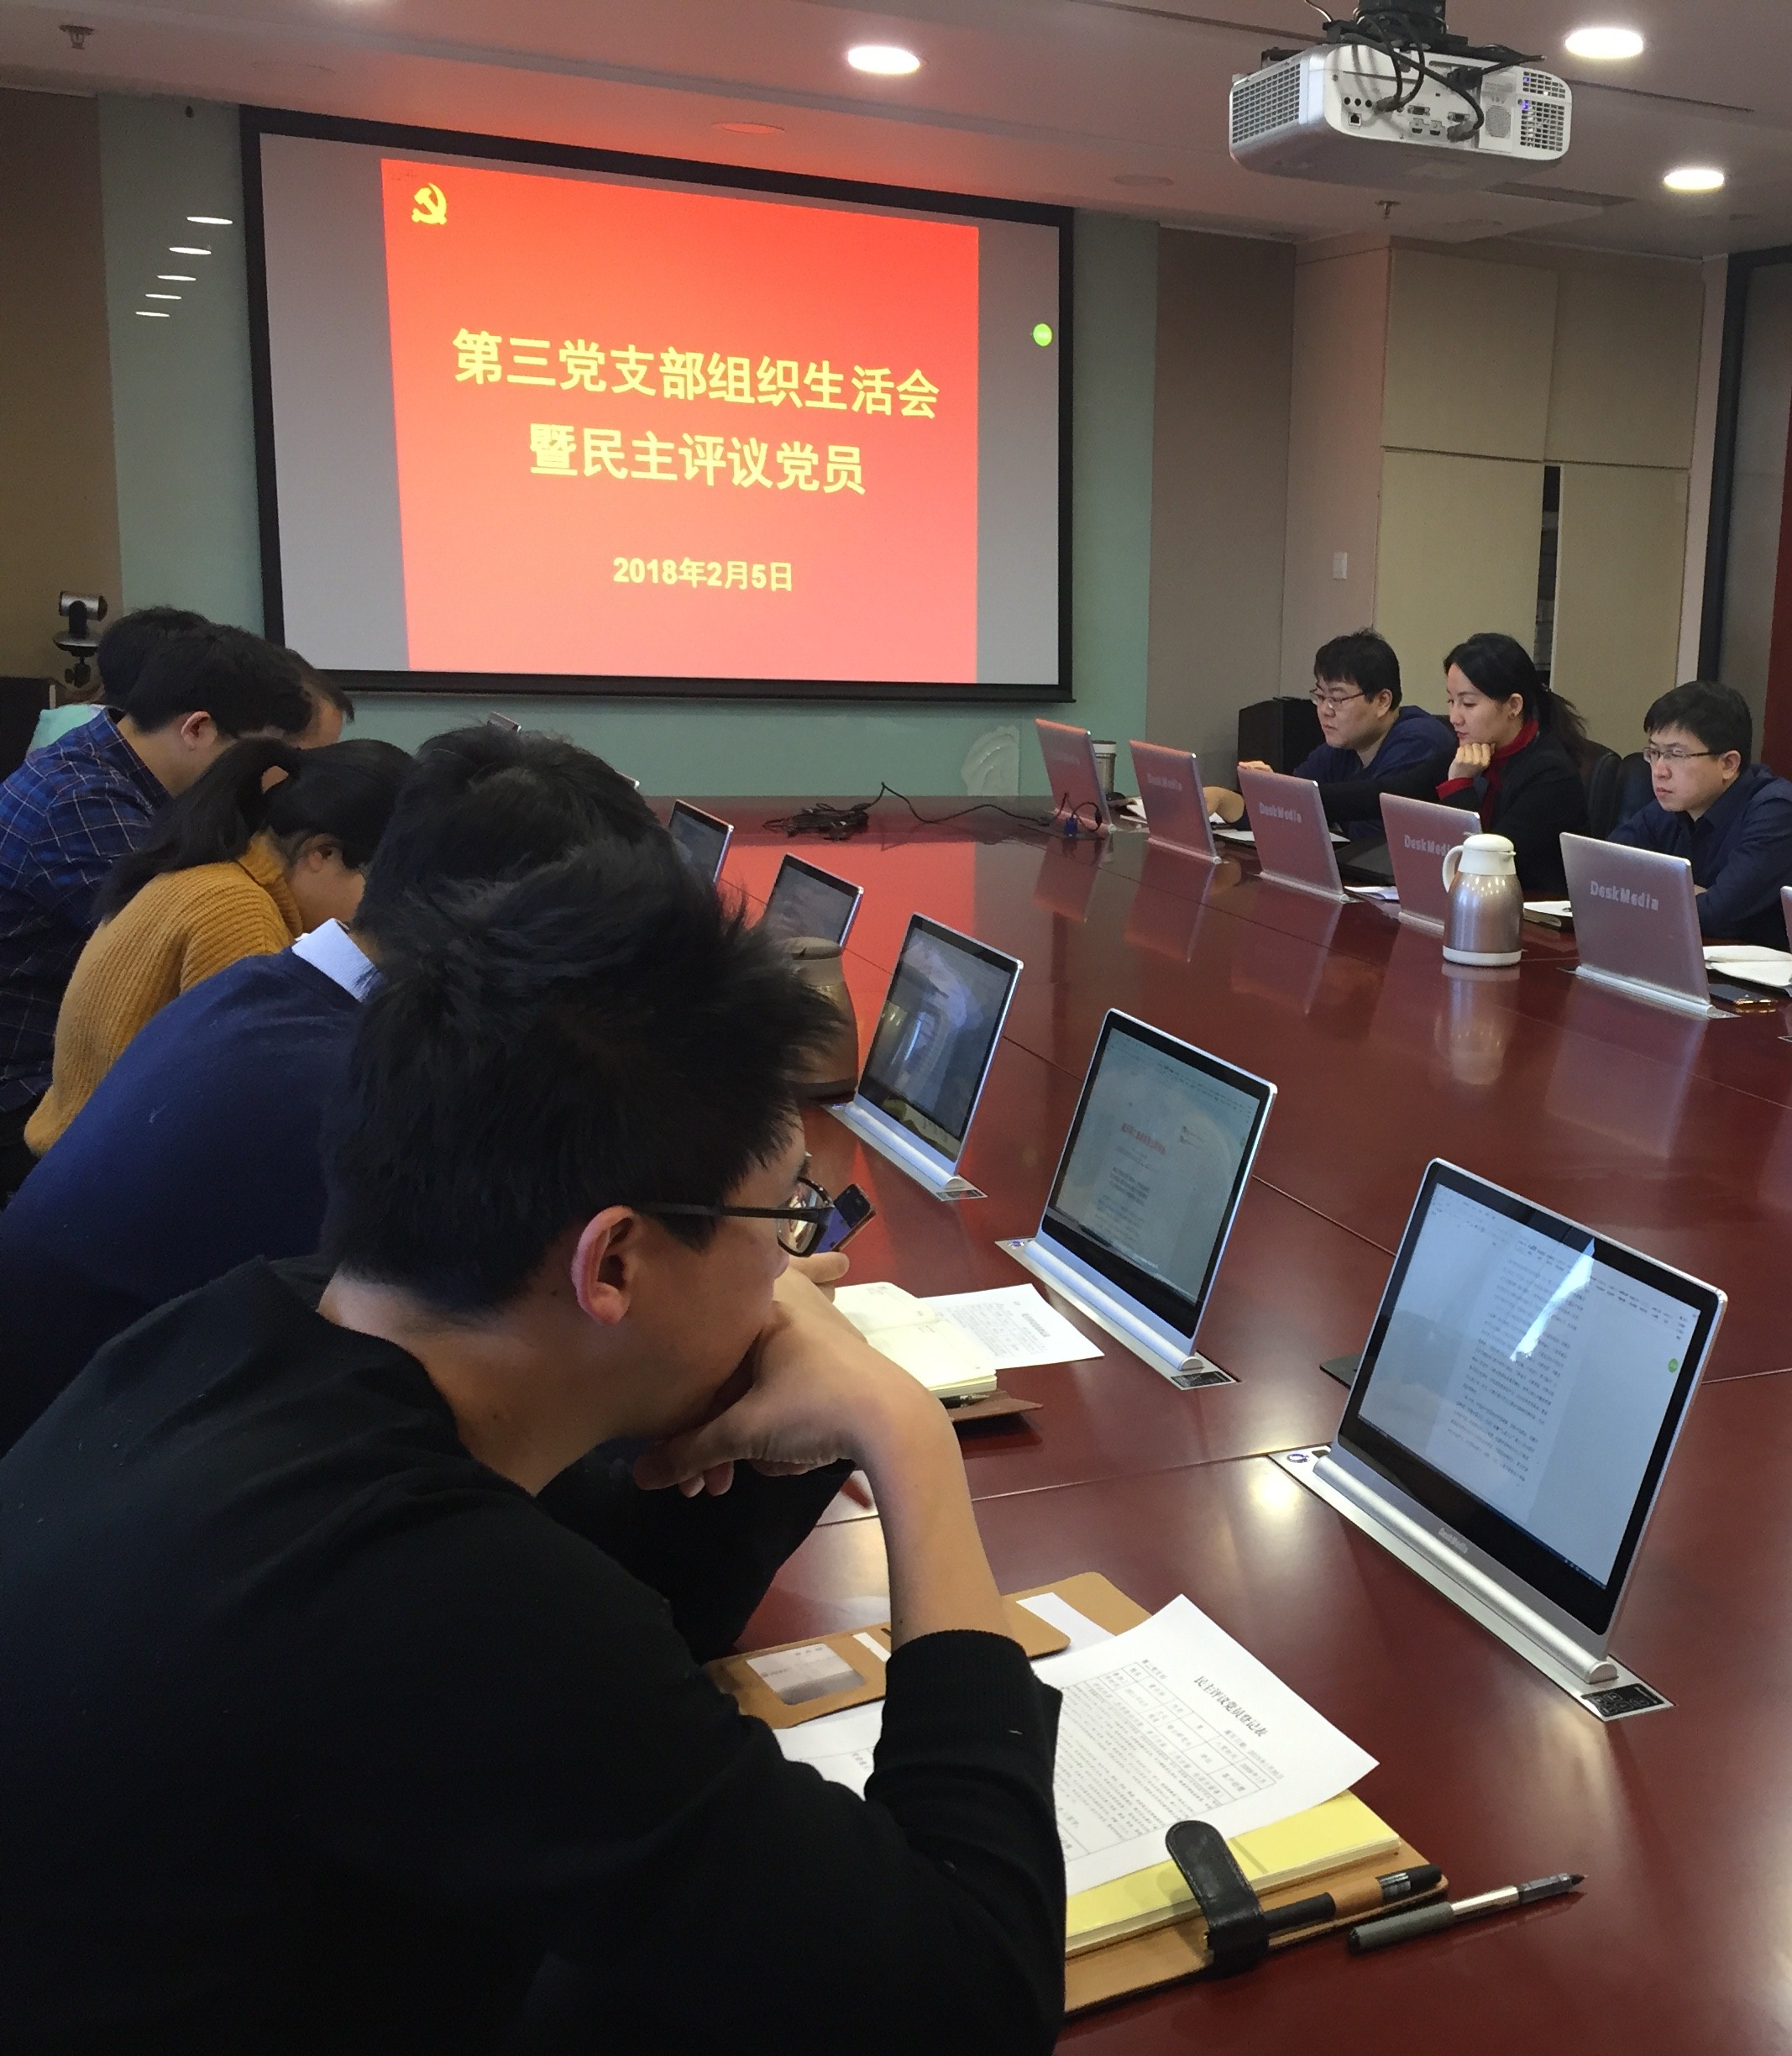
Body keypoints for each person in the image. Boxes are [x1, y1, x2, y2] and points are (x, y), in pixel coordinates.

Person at [0, 842, 1064, 2050]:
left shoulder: (256, 1325)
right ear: (613, 1263)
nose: (791, 1272)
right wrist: (903, 1430)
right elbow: (972, 1990)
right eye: (783, 1219)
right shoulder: (425, 1601)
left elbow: (619, 1614)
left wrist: (766, 1418)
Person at [0, 726, 667, 1451]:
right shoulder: (353, 1089)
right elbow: (519, 1348)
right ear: (517, 934)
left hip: (78, 1427)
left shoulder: (263, 990)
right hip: (92, 1460)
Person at [0, 622, 327, 1190]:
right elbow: (214, 949)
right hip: (28, 1095)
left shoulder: (105, 764)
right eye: (266, 758)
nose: (274, 782)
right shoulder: (85, 806)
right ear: (198, 728)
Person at [25, 737, 411, 1153]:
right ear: (323, 852)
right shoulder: (237, 911)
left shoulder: (214, 875)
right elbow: (248, 1100)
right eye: (377, 879)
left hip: (92, 1150)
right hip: (107, 1161)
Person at [1606, 679, 1792, 947]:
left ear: (1728, 764)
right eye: (1654, 753)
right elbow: (1605, 872)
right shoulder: (1674, 803)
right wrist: (1689, 894)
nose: (1659, 770)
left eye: (1675, 754)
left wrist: (1649, 895)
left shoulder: (1776, 811)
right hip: (1686, 954)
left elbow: (1715, 915)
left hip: (1756, 970)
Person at [1204, 630, 1455, 842]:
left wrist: (1288, 797)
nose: (1325, 710)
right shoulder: (1341, 747)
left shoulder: (1420, 742)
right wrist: (1222, 799)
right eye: (1320, 696)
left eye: (1337, 698)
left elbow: (1377, 842)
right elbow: (1288, 811)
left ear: (1382, 701)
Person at [1434, 631, 1589, 898]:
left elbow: (1486, 865)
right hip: (1475, 902)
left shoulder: (1551, 774)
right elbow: (1397, 790)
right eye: (1451, 701)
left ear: (1513, 706)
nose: (1454, 717)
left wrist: (1459, 785)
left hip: (1531, 912)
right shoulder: (1473, 749)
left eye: (1468, 703)